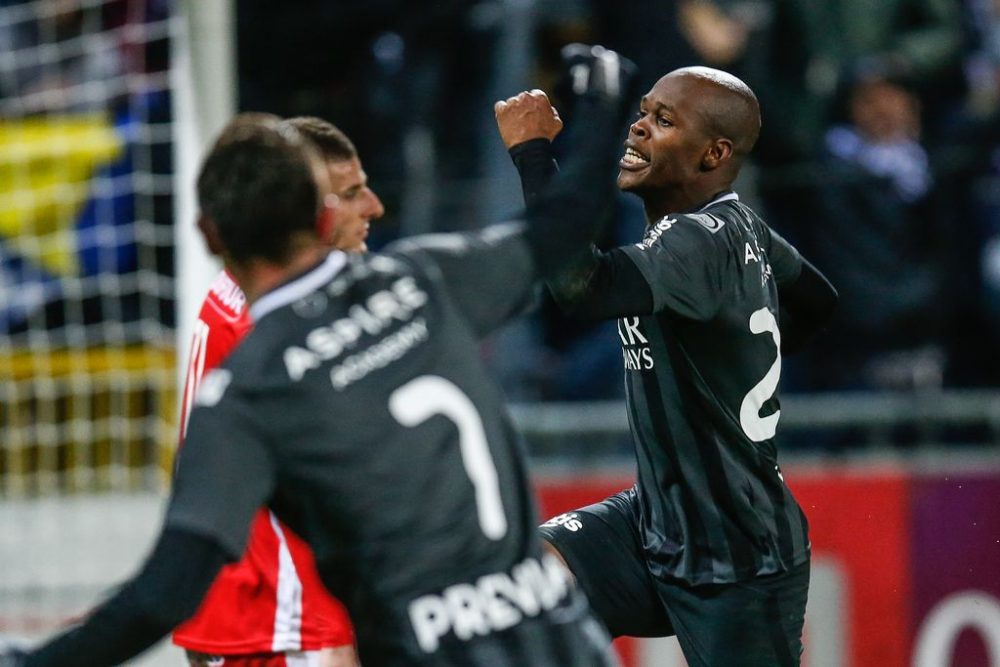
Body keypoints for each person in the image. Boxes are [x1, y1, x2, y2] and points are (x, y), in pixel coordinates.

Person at [2, 44, 637, 667]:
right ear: (324, 213)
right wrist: (602, 94)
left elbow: (165, 592)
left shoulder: (249, 387)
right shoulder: (421, 278)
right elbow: (568, 220)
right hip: (555, 634)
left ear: (208, 236)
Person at [495, 62, 838, 666]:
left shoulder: (697, 243)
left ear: (714, 154)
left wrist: (532, 154)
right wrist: (739, 358)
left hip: (738, 558)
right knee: (514, 591)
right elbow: (817, 299)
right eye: (643, 111)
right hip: (654, 520)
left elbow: (581, 288)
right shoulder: (739, 227)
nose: (638, 129)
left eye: (664, 120)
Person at [174, 115, 383, 667]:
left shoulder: (244, 300)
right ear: (309, 209)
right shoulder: (273, 323)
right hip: (287, 626)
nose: (374, 208)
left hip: (261, 623)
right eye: (353, 193)